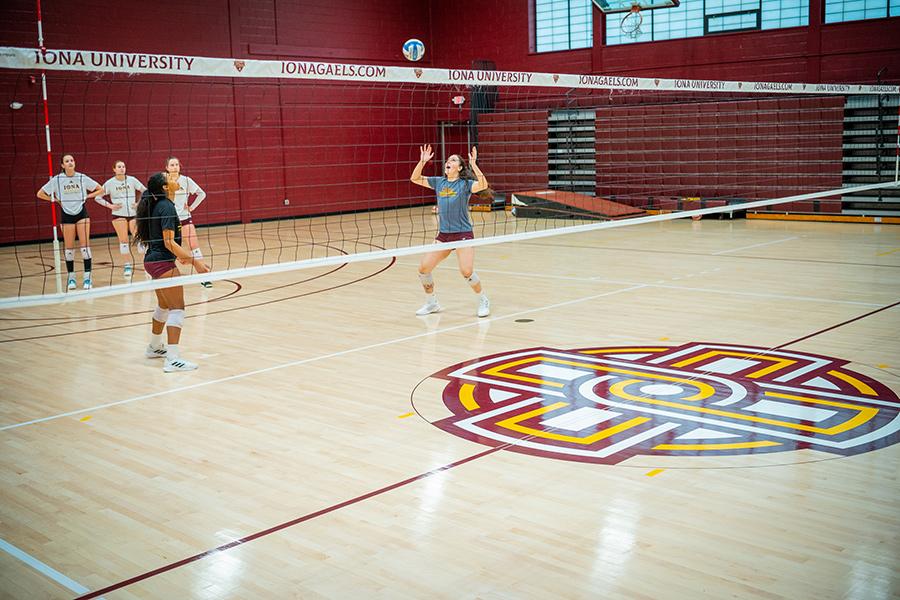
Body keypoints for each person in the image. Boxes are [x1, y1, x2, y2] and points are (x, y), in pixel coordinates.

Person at [134, 172, 210, 372]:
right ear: (166, 188)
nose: (175, 179)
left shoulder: (159, 205)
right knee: (177, 308)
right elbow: (168, 243)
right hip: (161, 263)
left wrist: (183, 257)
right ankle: (173, 359)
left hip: (153, 261)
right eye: (170, 179)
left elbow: (166, 242)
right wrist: (196, 262)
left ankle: (154, 346)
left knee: (164, 305)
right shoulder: (166, 207)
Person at [410, 144, 490, 318]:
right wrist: (422, 162)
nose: (448, 161)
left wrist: (474, 164)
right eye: (448, 160)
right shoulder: (439, 182)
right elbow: (415, 178)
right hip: (444, 236)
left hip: (463, 234)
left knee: (466, 271)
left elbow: (483, 184)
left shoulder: (465, 184)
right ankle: (432, 303)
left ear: (459, 168)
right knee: (424, 269)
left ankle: (483, 299)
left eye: (453, 160)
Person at [36, 154, 104, 290]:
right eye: (67, 161)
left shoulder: (81, 177)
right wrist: (55, 200)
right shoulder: (57, 180)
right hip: (66, 215)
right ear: (62, 165)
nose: (70, 163)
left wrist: (87, 196)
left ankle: (87, 278)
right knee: (69, 248)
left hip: (82, 214)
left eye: (72, 160)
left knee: (85, 247)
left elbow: (101, 189)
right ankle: (71, 278)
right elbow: (40, 193)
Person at [164, 156, 211, 287]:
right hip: (169, 221)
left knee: (194, 247)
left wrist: (192, 207)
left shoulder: (186, 180)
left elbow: (202, 194)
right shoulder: (163, 181)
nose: (174, 167)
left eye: (176, 165)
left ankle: (204, 276)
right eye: (172, 165)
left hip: (185, 218)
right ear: (167, 168)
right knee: (171, 250)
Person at [97, 160, 146, 278]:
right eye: (119, 167)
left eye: (123, 166)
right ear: (114, 169)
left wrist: (139, 203)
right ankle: (127, 265)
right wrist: (110, 206)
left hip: (133, 214)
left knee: (139, 239)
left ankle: (146, 265)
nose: (122, 169)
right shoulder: (110, 183)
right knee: (123, 241)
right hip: (118, 214)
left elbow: (145, 191)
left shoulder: (132, 180)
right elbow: (97, 197)